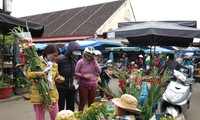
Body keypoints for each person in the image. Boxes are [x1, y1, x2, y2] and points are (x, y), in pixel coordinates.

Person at [26, 44, 65, 120]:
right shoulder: (36, 62)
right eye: (54, 55)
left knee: (56, 117)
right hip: (39, 94)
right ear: (48, 53)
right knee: (40, 118)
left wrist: (60, 78)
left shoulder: (55, 65)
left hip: (52, 95)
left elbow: (57, 75)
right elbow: (28, 75)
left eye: (57, 56)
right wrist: (36, 74)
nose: (55, 58)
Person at [56, 41, 81, 112]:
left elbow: (74, 72)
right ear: (69, 51)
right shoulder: (59, 59)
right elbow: (54, 73)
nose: (75, 56)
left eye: (76, 54)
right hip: (61, 88)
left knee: (71, 109)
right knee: (60, 109)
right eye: (74, 54)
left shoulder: (74, 60)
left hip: (71, 88)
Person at [75, 46, 102, 111]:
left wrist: (95, 63)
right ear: (85, 55)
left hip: (93, 85)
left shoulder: (94, 62)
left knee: (91, 104)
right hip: (83, 84)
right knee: (82, 103)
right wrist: (83, 76)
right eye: (88, 56)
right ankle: (80, 117)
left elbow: (99, 71)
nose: (90, 58)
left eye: (91, 56)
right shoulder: (80, 62)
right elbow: (75, 72)